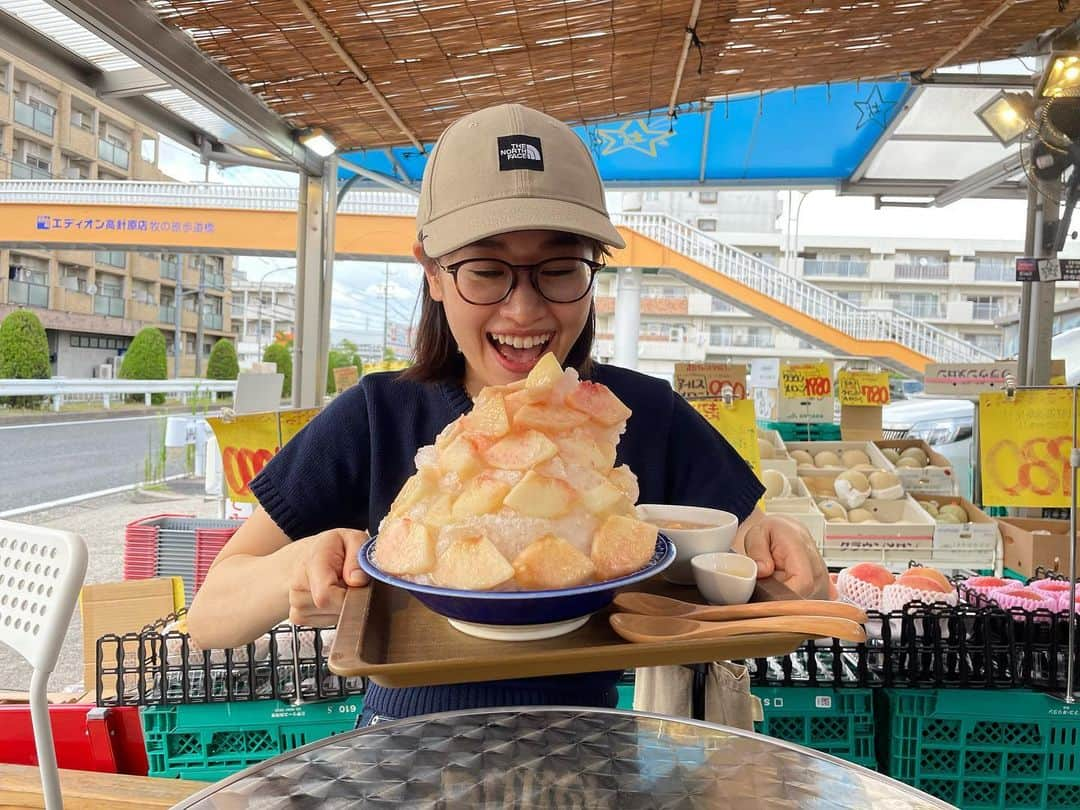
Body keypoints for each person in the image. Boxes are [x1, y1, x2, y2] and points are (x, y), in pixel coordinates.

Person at [187, 103, 829, 726]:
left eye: (558, 268)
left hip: (589, 751)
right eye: (487, 271)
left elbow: (763, 558)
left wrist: (781, 547)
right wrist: (294, 567)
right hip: (405, 753)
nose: (524, 312)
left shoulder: (641, 414)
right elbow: (210, 617)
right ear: (433, 274)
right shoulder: (376, 417)